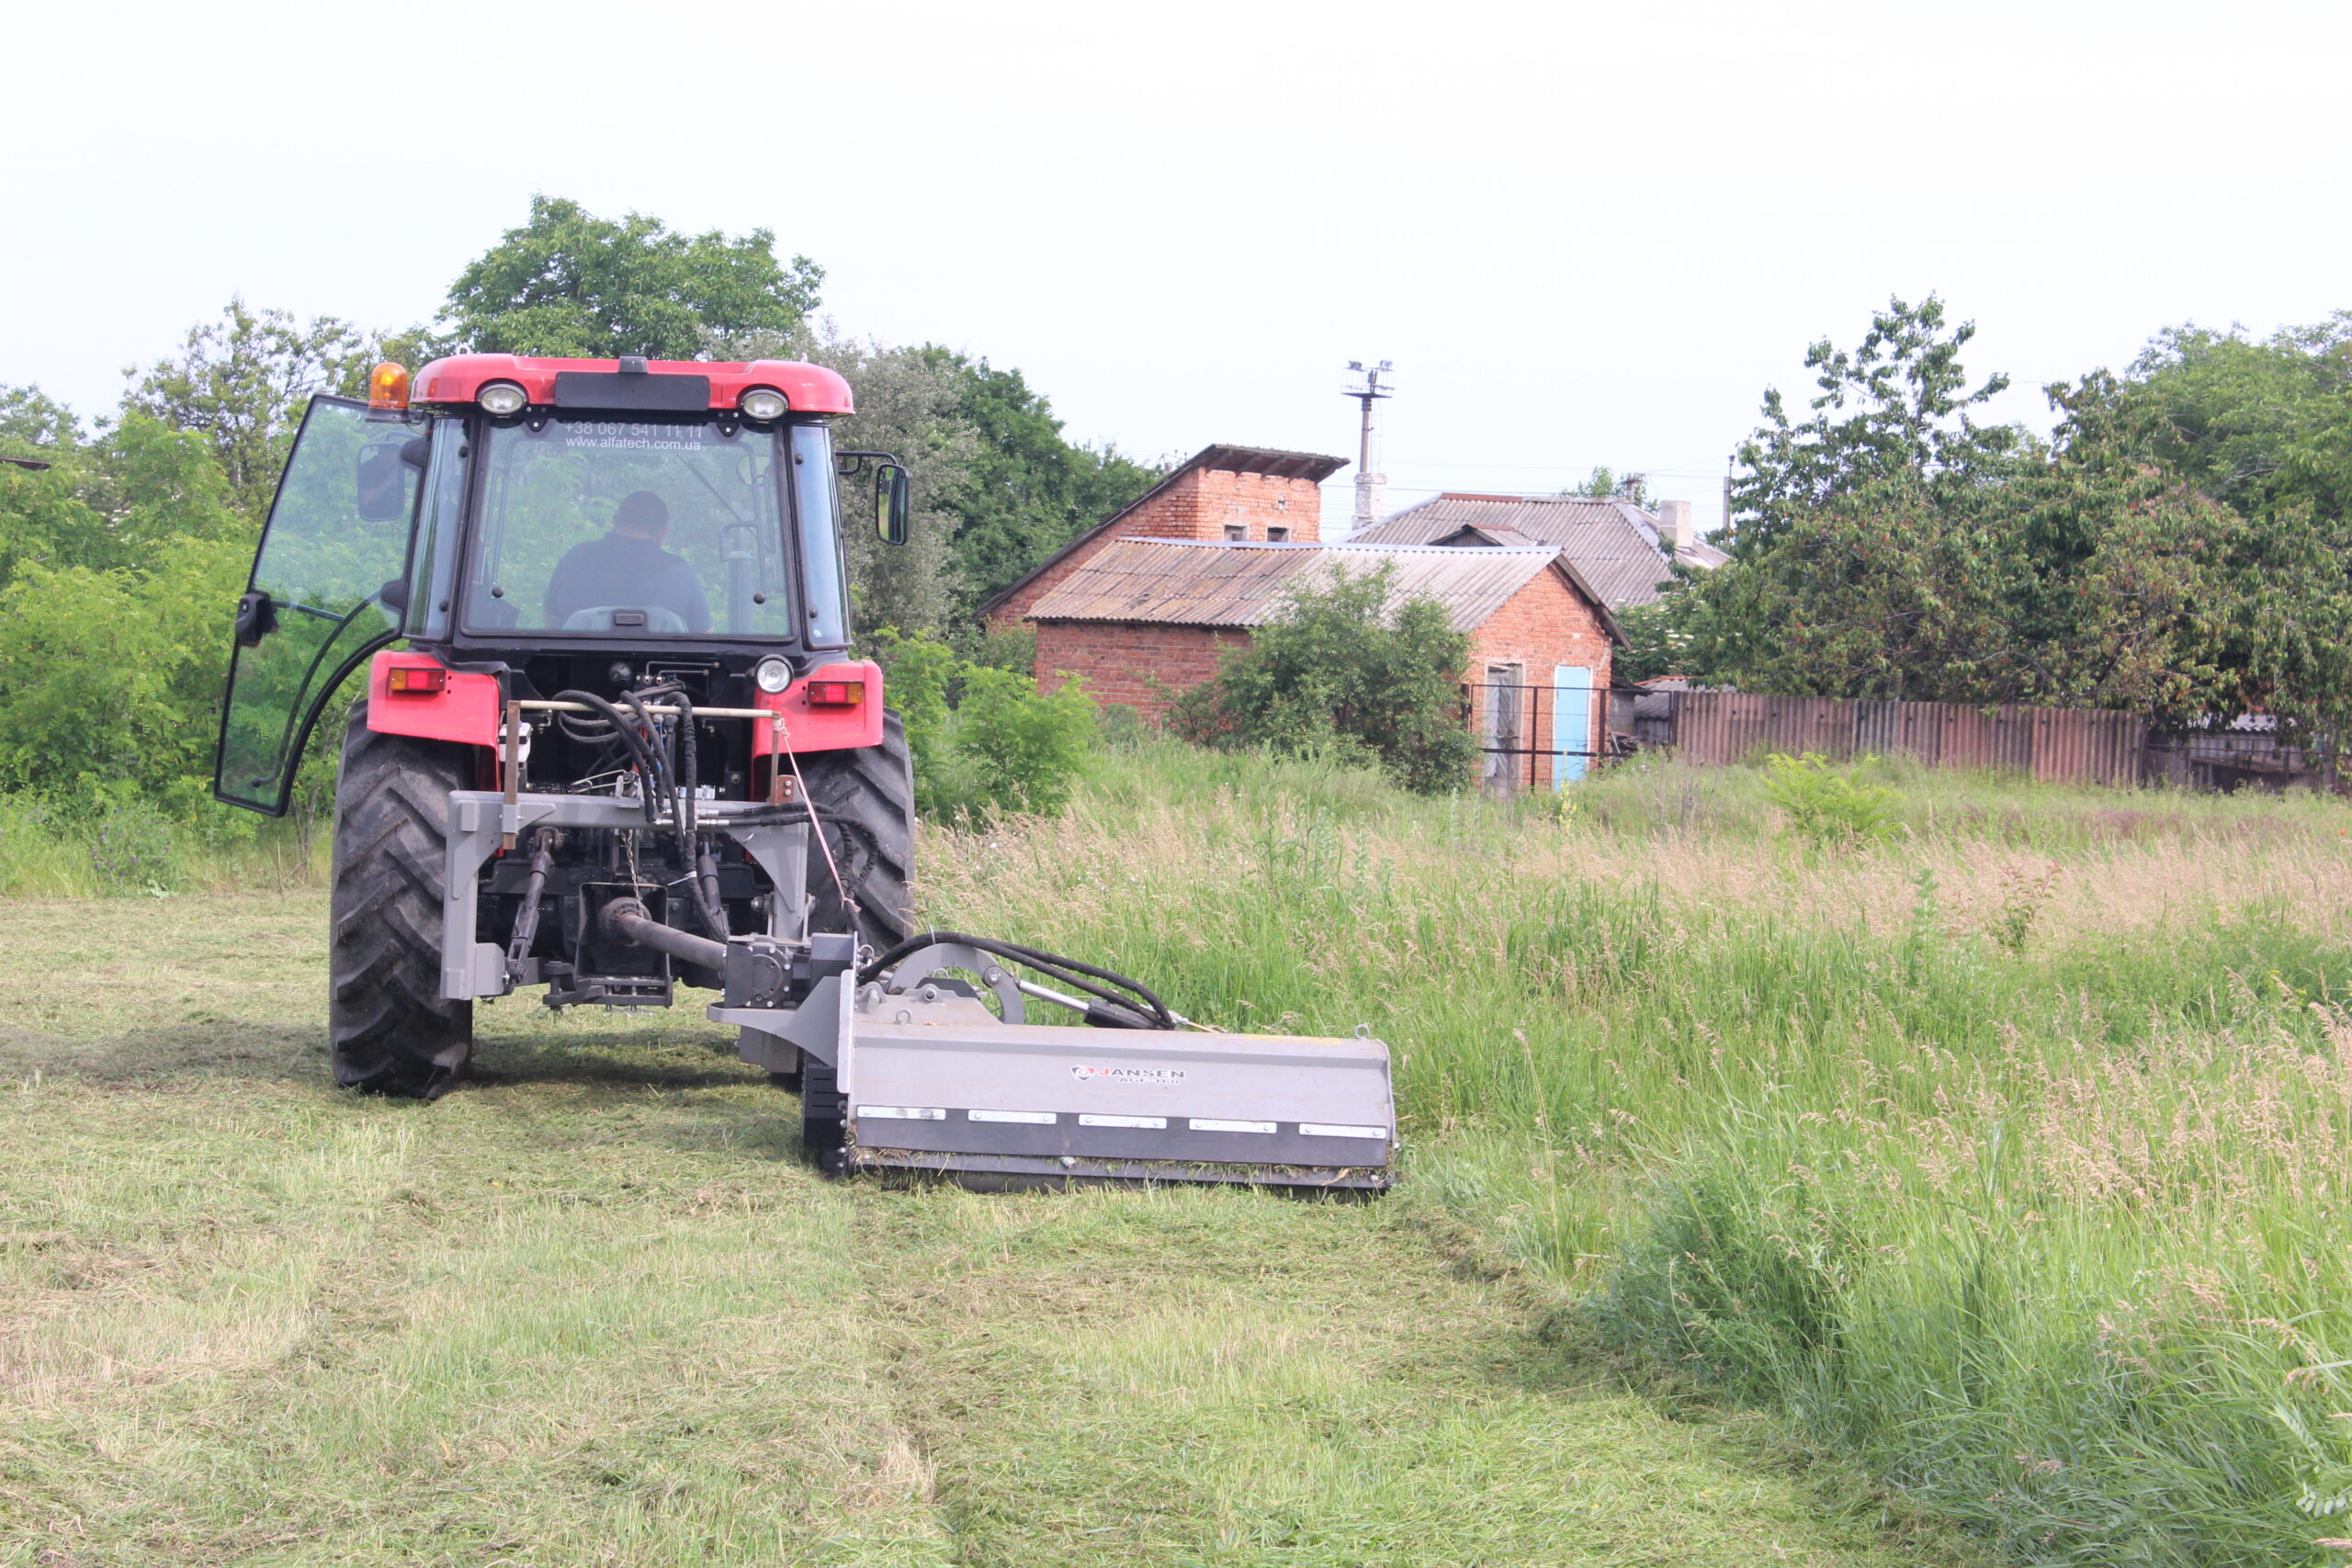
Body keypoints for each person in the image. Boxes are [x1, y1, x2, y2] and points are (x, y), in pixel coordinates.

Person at [541, 491, 712, 633]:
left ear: (615, 522)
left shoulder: (574, 559)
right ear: (662, 533)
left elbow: (551, 628)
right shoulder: (681, 572)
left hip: (579, 665)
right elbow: (706, 642)